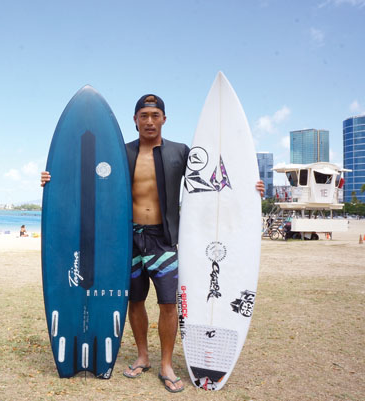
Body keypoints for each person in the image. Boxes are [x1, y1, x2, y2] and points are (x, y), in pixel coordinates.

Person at [41, 94, 265, 392]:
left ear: (164, 119)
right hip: (126, 240)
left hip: (163, 239)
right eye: (143, 115)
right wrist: (50, 179)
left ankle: (166, 364)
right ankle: (143, 356)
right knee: (134, 300)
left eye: (155, 115)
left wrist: (250, 188)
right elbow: (83, 176)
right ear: (135, 120)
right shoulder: (119, 153)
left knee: (168, 303)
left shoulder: (180, 152)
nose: (149, 121)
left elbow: (211, 184)